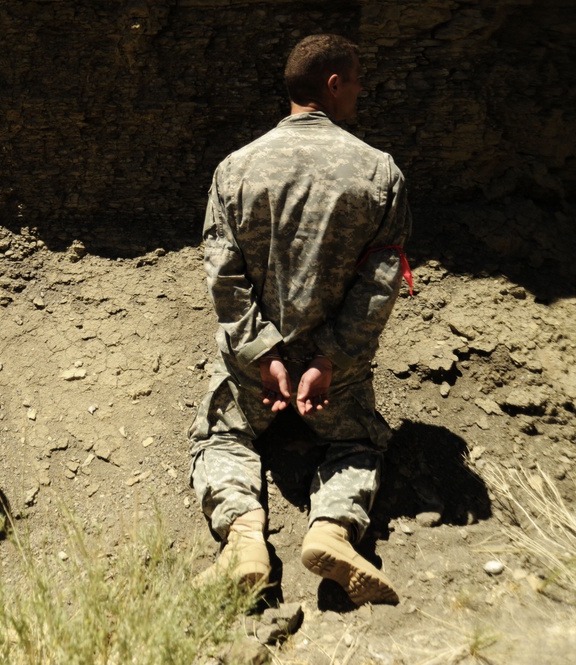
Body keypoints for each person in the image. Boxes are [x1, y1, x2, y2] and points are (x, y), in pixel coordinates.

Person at [188, 34, 412, 606]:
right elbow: (379, 284)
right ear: (333, 85)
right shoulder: (380, 174)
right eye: (356, 79)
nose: (361, 89)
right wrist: (328, 360)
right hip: (331, 378)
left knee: (223, 435)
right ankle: (333, 528)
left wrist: (262, 355)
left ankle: (243, 542)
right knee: (358, 443)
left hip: (254, 373)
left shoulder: (235, 169)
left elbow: (223, 277)